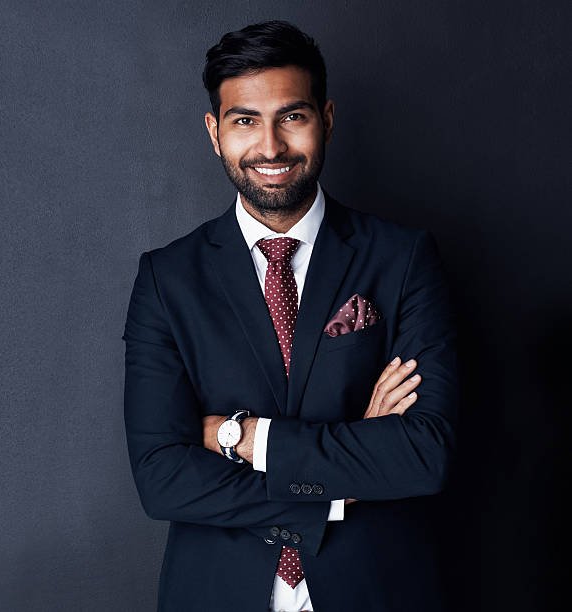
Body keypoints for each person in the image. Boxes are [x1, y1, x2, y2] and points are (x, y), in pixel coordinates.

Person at [123, 20, 459, 612]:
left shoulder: (403, 259)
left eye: (292, 117)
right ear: (214, 131)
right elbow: (161, 478)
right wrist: (339, 484)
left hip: (376, 590)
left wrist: (243, 438)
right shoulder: (167, 278)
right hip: (217, 592)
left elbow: (422, 454)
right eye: (245, 121)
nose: (271, 147)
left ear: (326, 118)